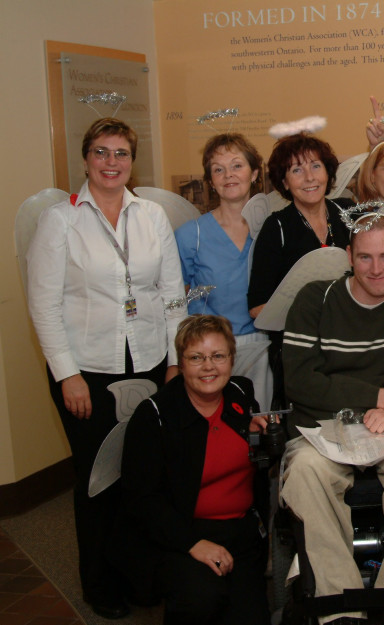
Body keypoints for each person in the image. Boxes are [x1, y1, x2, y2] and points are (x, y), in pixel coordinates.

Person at [26, 117, 186, 618]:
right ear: (85, 158)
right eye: (101, 152)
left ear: (132, 160)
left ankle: (139, 575)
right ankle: (99, 583)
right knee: (98, 480)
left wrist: (177, 360)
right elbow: (44, 305)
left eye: (120, 153)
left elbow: (171, 294)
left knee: (141, 476)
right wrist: (65, 373)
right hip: (87, 371)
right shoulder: (61, 221)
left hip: (148, 361)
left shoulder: (151, 216)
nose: (111, 162)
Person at [280, 214, 384, 625]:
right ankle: (341, 606)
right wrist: (373, 397)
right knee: (303, 471)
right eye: (366, 257)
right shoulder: (314, 300)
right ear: (349, 257)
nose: (377, 269)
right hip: (325, 427)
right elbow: (300, 381)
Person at [122, 315, 271, 625]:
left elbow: (258, 467)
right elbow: (142, 499)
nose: (208, 367)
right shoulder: (155, 416)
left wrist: (265, 440)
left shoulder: (241, 394)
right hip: (182, 534)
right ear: (181, 363)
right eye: (196, 357)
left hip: (242, 533)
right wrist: (192, 543)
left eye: (218, 356)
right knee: (203, 599)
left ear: (232, 358)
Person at [175, 134, 272, 409]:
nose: (228, 175)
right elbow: (173, 302)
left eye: (237, 166)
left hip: (260, 347)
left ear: (254, 173)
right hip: (208, 353)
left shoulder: (271, 230)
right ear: (210, 181)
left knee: (258, 426)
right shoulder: (190, 236)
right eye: (218, 169)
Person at [247, 132, 352, 318]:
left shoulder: (348, 212)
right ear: (285, 182)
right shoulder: (276, 228)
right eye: (297, 170)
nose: (309, 177)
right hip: (297, 339)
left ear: (328, 172)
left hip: (349, 334)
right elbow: (257, 307)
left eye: (316, 166)